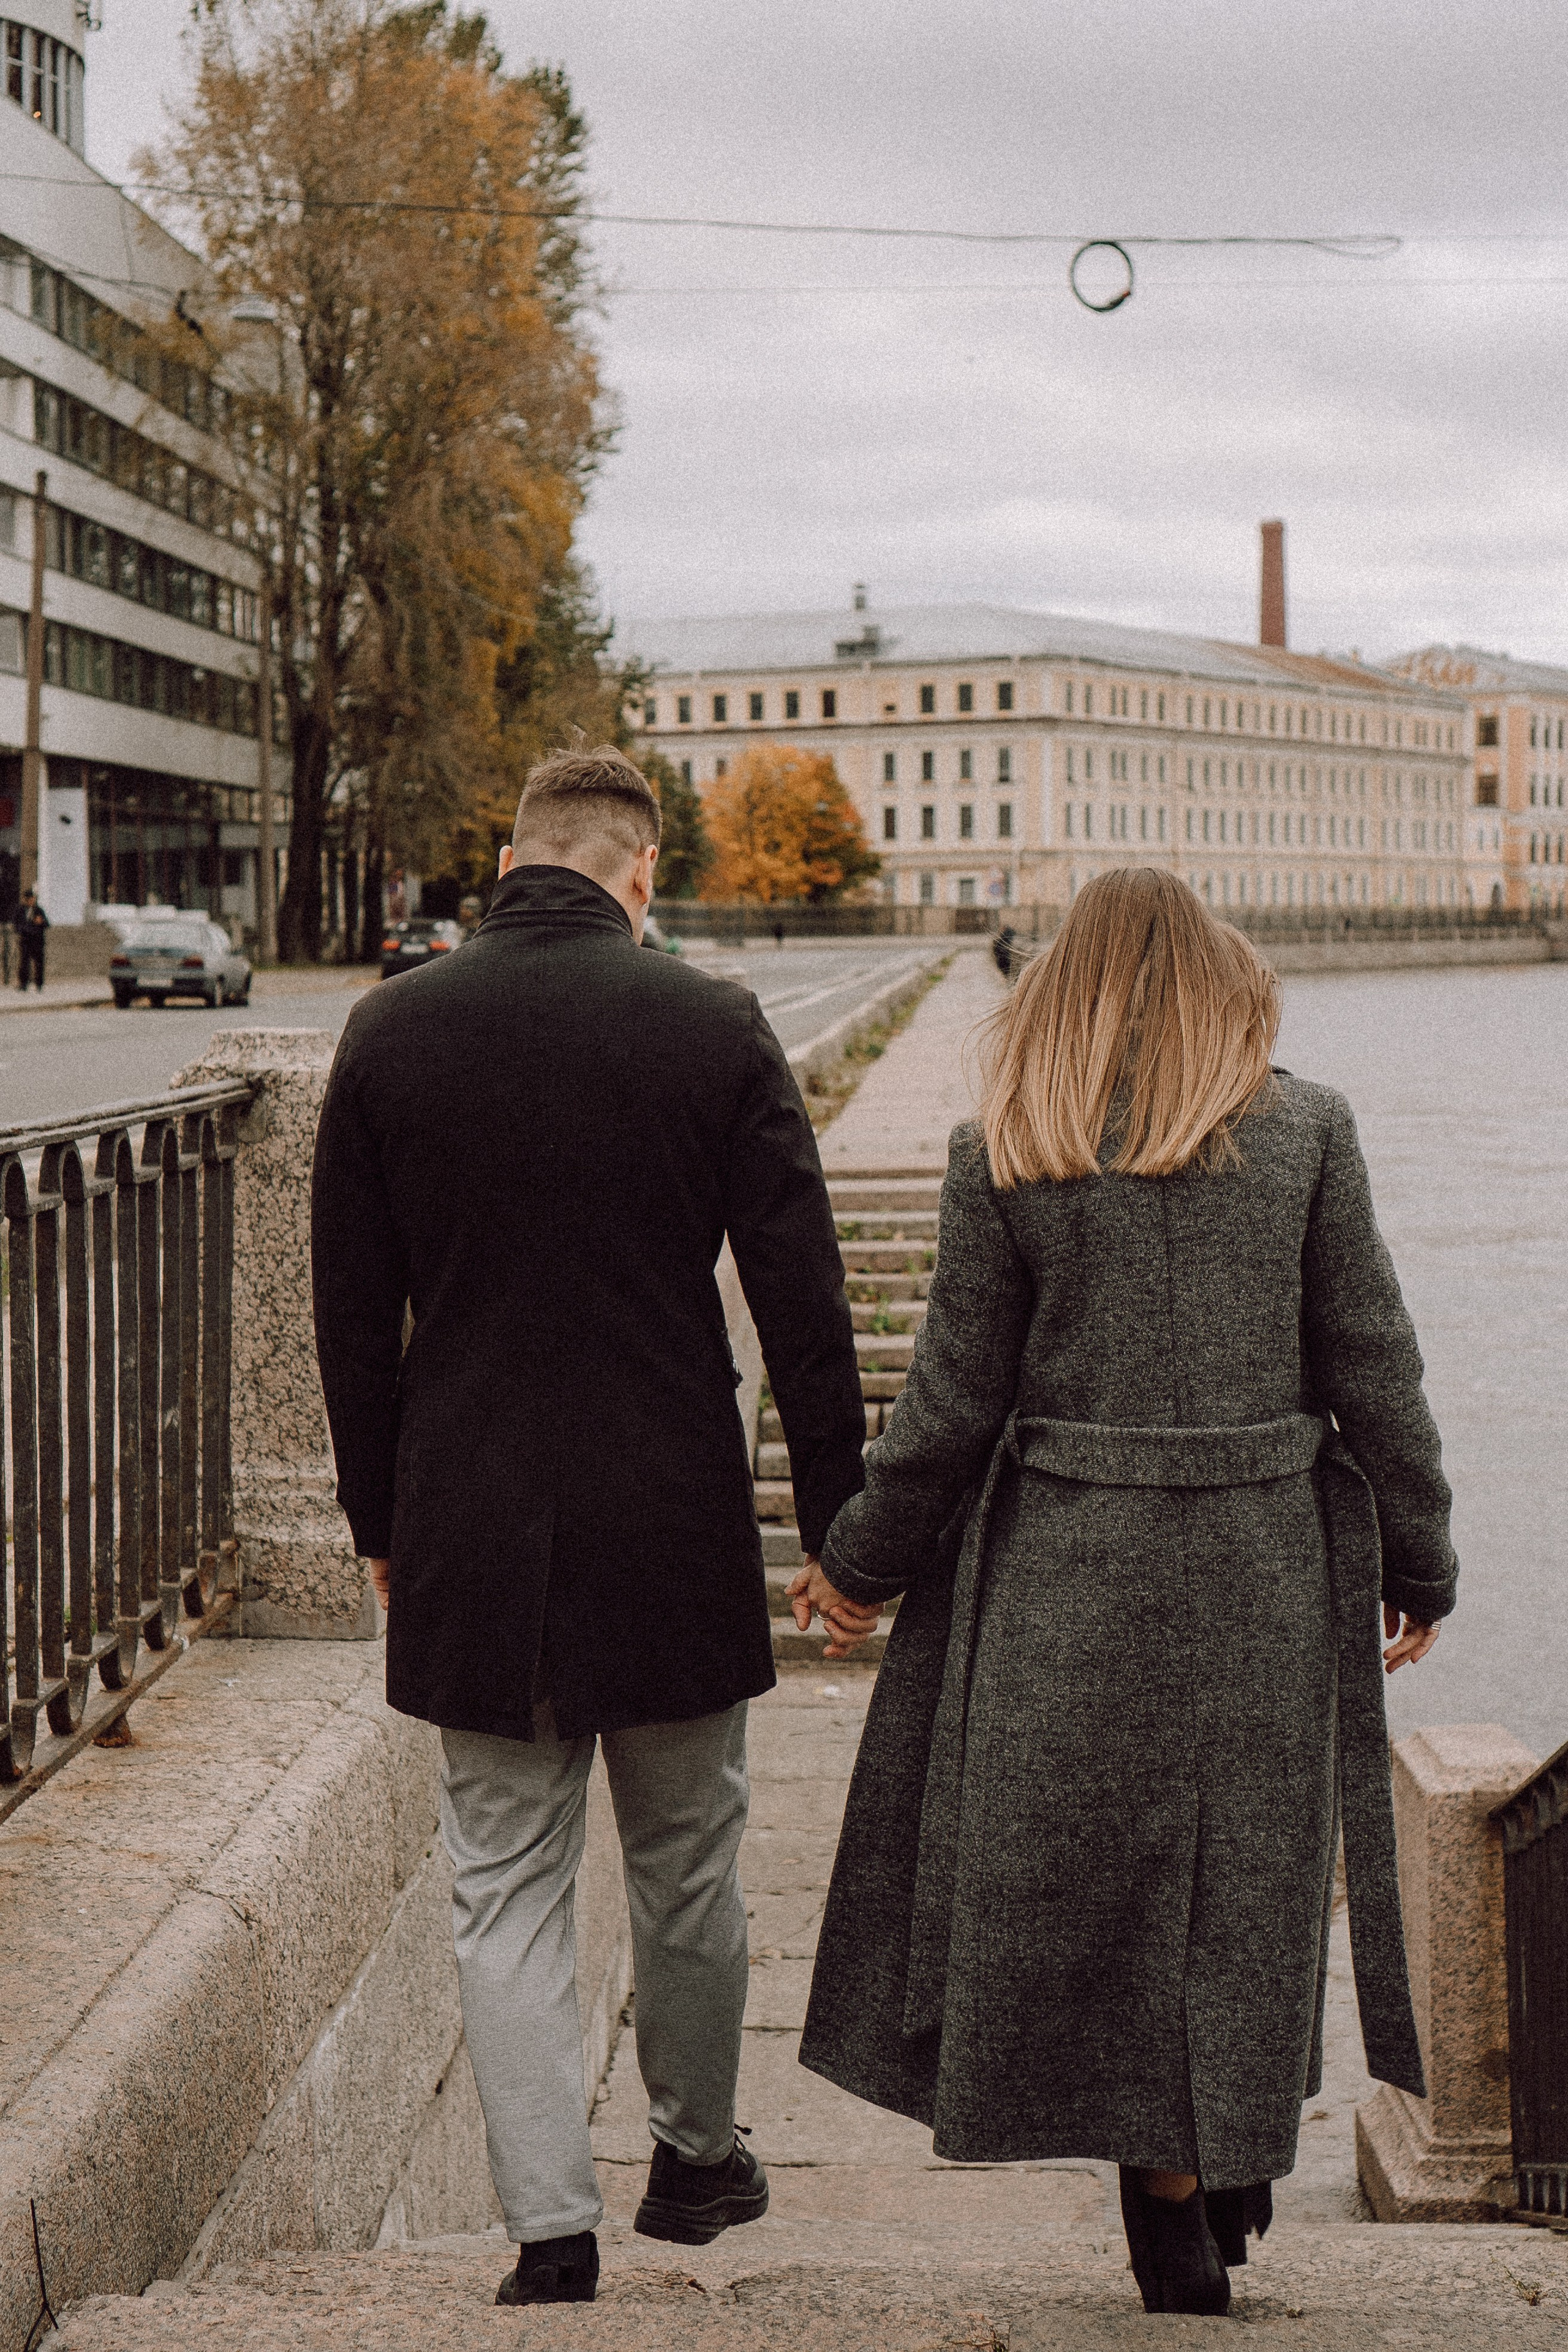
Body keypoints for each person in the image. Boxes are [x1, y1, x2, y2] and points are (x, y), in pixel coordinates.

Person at [789, 868, 1455, 2318]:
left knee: (1107, 1893)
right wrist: (1420, 1557)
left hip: (1069, 1576)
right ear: (1221, 979)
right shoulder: (1305, 1133)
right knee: (1245, 1883)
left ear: (1059, 989)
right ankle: (1211, 2165)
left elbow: (948, 1408)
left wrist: (852, 1563)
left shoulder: (1005, 1147)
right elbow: (1372, 1370)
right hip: (1263, 1566)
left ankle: (1171, 2211)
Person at [311, 747, 866, 2309]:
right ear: (639, 873)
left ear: (505, 857)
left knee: (500, 1877)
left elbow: (349, 1314)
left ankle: (548, 2225)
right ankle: (694, 2160)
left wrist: (378, 1514)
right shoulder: (708, 1024)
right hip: (670, 1507)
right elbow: (802, 1299)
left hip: (469, 1514)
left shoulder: (390, 1030)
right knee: (688, 1855)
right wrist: (836, 1521)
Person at [15, 887, 48, 989]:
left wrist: (41, 922)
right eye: (29, 899)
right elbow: (16, 925)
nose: (31, 901)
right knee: (24, 963)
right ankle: (23, 983)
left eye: (33, 899)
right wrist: (24, 930)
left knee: (39, 963)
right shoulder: (21, 911)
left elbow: (47, 924)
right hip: (26, 941)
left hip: (37, 941)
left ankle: (39, 984)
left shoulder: (39, 911)